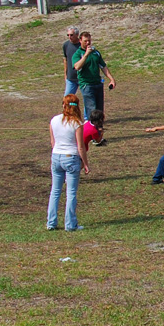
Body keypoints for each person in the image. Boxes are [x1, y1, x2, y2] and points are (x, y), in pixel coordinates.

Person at [47, 94, 89, 230]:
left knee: (55, 191)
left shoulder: (54, 120)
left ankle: (51, 223)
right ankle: (70, 224)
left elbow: (53, 142)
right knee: (71, 193)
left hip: (56, 156)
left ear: (64, 105)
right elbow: (80, 146)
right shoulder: (77, 123)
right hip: (71, 157)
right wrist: (85, 163)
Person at [72, 31, 116, 141]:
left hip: (98, 84)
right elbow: (77, 67)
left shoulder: (96, 52)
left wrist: (111, 79)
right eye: (85, 41)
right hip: (86, 85)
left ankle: (99, 135)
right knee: (92, 111)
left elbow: (103, 66)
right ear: (80, 40)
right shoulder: (78, 54)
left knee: (100, 112)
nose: (88, 43)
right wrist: (86, 54)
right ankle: (92, 136)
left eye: (89, 41)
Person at [61, 26, 82, 112]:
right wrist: (65, 74)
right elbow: (65, 59)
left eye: (71, 35)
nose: (69, 37)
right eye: (68, 35)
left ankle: (87, 118)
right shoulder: (66, 45)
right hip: (71, 78)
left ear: (77, 35)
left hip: (82, 77)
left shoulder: (82, 46)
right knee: (66, 99)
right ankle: (67, 115)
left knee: (87, 98)